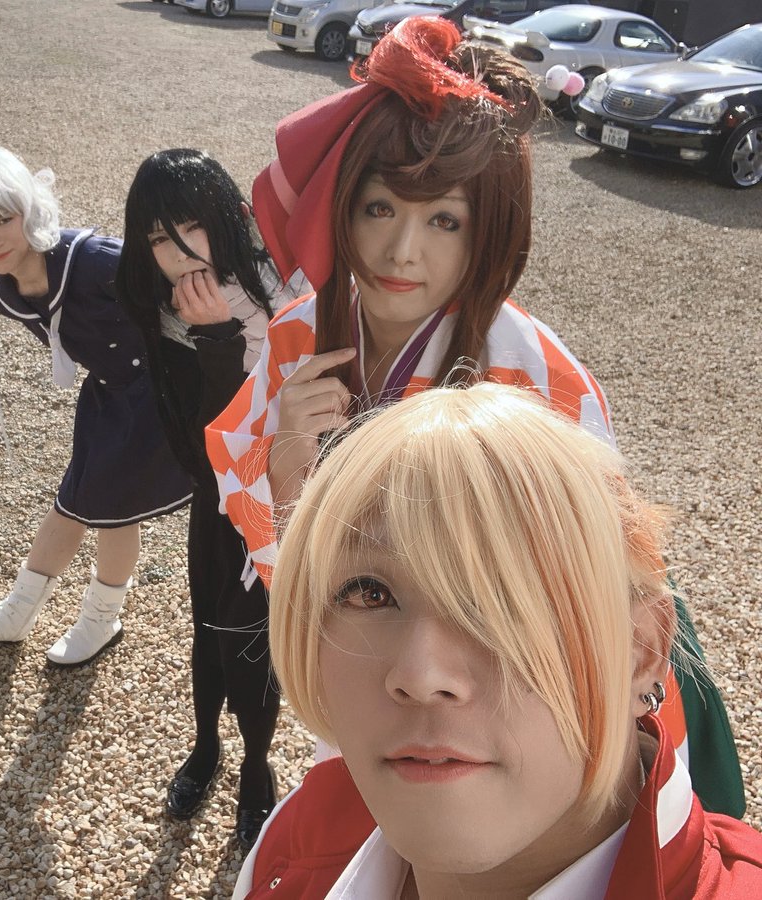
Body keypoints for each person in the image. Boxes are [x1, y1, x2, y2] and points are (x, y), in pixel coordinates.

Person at [206, 17, 744, 816]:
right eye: (380, 208)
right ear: (344, 208)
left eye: (444, 221)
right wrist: (289, 475)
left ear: (487, 232)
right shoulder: (296, 337)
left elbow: (580, 592)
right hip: (362, 657)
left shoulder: (536, 378)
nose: (401, 252)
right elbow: (285, 561)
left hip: (496, 694)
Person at [233, 383, 762, 899]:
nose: (421, 675)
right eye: (369, 593)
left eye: (508, 596)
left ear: (641, 651)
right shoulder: (295, 836)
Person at [0, 146, 192, 667]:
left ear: (30, 208)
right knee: (80, 502)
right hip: (110, 395)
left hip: (165, 392)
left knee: (106, 508)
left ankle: (92, 616)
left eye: (4, 219)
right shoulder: (6, 292)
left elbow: (181, 288)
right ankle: (29, 612)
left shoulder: (96, 259)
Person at [117, 149, 307, 847]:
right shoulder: (163, 313)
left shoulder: (284, 288)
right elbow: (202, 451)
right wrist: (212, 339)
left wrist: (226, 337)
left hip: (281, 496)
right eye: (158, 237)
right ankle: (205, 746)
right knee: (206, 630)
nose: (178, 251)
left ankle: (256, 767)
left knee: (252, 640)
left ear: (226, 218)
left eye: (190, 226)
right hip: (215, 498)